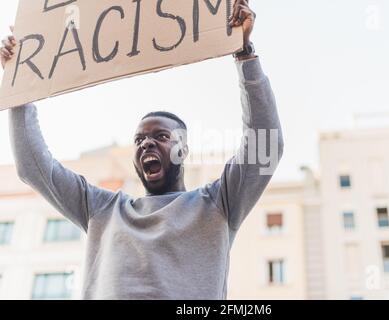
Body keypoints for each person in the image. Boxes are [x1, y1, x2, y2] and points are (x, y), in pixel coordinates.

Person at [0, 0, 283, 299]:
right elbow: (33, 167)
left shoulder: (217, 204)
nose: (146, 143)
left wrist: (244, 53)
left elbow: (265, 144)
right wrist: (19, 86)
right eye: (139, 140)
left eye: (160, 136)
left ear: (183, 150)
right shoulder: (102, 210)